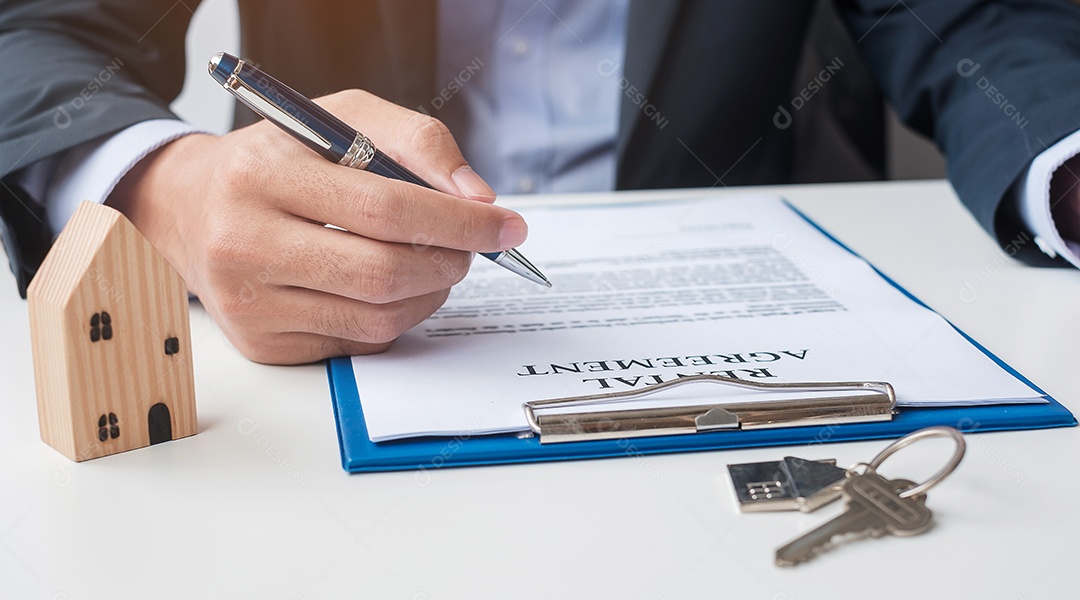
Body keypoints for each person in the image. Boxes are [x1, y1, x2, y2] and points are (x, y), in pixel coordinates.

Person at [3, 0, 1080, 364]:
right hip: (308, 372)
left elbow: (976, 17)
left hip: (744, 315)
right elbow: (38, 29)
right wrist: (168, 186)